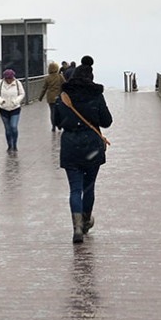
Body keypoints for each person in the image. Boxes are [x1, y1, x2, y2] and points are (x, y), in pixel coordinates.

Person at [55, 55, 113, 243]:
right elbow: (107, 121)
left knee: (74, 189)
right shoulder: (96, 95)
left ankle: (77, 227)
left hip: (70, 146)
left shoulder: (63, 96)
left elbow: (56, 121)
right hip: (92, 147)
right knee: (88, 187)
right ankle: (86, 220)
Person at [0, 69, 25, 152]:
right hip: (4, 108)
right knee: (7, 129)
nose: (9, 80)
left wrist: (16, 101)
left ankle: (15, 144)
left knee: (13, 127)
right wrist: (0, 100)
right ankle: (9, 145)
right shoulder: (0, 83)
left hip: (15, 108)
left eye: (10, 79)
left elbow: (22, 93)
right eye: (7, 79)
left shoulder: (17, 83)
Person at [38, 62, 66, 132]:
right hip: (59, 97)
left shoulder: (47, 78)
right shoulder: (60, 76)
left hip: (50, 97)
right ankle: (59, 125)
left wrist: (40, 97)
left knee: (52, 112)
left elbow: (44, 88)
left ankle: (53, 126)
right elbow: (65, 85)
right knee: (59, 111)